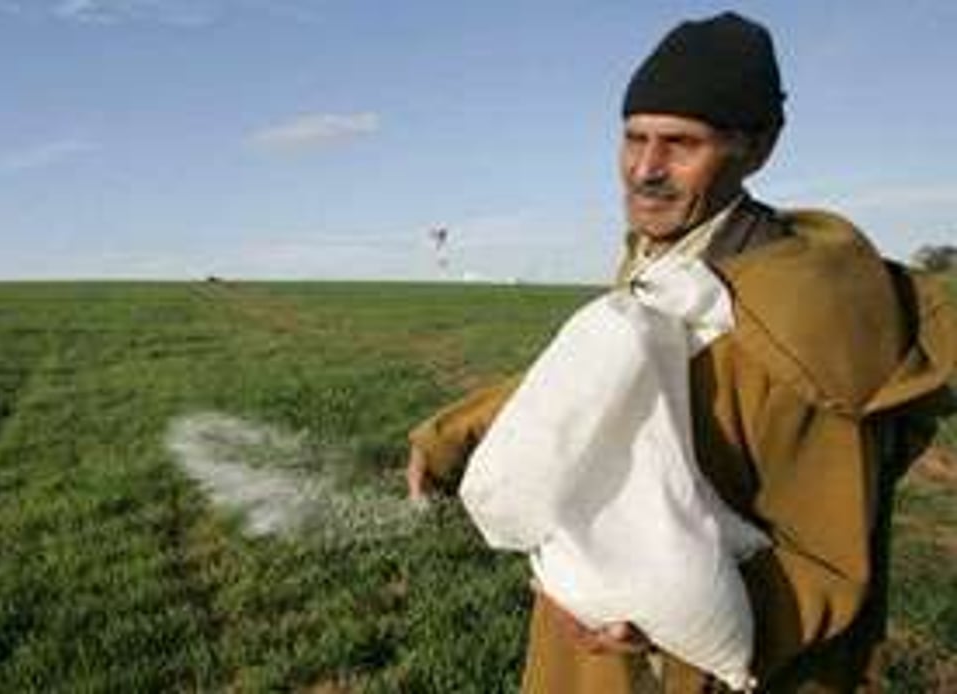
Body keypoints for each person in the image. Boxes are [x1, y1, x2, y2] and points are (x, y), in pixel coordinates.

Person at [404, 12, 956, 693]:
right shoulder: (673, 261)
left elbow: (825, 556)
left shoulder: (806, 333)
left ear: (758, 148)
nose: (644, 170)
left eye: (680, 144)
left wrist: (669, 631)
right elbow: (597, 378)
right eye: (633, 137)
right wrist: (454, 434)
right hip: (599, 647)